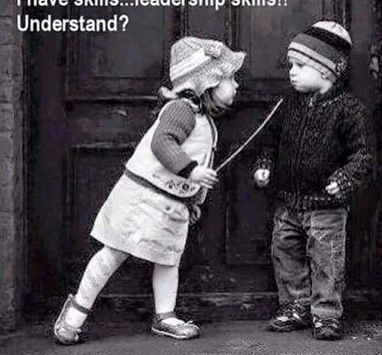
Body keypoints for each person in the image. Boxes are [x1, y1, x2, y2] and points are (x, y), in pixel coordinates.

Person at [53, 36, 245, 344]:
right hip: (142, 198)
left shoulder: (202, 118)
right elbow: (162, 143)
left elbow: (194, 155)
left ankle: (164, 316)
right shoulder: (181, 110)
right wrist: (192, 171)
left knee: (168, 259)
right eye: (230, 78)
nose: (236, 85)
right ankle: (75, 314)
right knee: (114, 252)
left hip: (170, 204)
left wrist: (193, 200)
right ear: (207, 81)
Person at [253, 21, 374, 340]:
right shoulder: (288, 105)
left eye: (300, 65)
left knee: (326, 260)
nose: (292, 73)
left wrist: (345, 179)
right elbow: (270, 141)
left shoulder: (349, 109)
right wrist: (265, 165)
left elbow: (362, 155)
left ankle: (326, 314)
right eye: (291, 65)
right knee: (285, 253)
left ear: (327, 70)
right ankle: (296, 305)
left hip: (326, 206)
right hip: (288, 202)